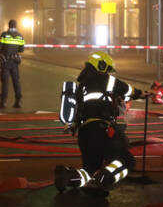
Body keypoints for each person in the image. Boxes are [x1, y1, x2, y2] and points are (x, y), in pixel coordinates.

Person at [54, 52, 144, 197]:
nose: (109, 72)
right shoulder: (105, 79)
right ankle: (104, 178)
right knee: (127, 161)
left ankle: (70, 177)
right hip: (102, 130)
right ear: (101, 66)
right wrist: (140, 93)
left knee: (89, 170)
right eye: (107, 69)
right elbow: (127, 89)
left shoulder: (82, 85)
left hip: (84, 133)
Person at [0, 19, 25, 109]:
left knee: (5, 82)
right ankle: (18, 102)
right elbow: (21, 50)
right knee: (16, 82)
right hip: (15, 62)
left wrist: (3, 49)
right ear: (16, 26)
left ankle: (3, 102)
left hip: (5, 62)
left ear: (9, 26)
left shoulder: (4, 35)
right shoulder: (20, 36)